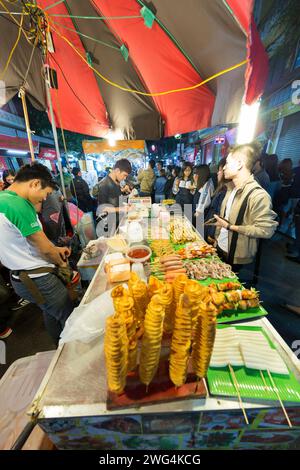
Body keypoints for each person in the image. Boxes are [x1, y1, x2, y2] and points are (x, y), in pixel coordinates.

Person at [0, 163, 74, 344]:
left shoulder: (3, 198)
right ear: (34, 184)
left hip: (20, 276)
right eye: (46, 193)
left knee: (50, 312)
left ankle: (58, 344)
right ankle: (71, 354)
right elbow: (44, 249)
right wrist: (64, 266)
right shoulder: (18, 205)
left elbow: (22, 242)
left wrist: (55, 249)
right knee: (70, 317)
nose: (45, 198)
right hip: (38, 279)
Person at [213, 143, 278, 270]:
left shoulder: (258, 195)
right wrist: (217, 239)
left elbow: (266, 230)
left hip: (236, 255)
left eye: (227, 163)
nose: (224, 167)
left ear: (239, 164)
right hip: (220, 247)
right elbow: (224, 219)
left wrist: (231, 227)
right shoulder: (230, 188)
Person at [97, 159, 132, 235]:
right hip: (108, 226)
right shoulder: (104, 184)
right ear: (117, 170)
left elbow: (115, 197)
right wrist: (121, 208)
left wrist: (125, 204)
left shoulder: (116, 182)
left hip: (117, 221)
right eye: (124, 175)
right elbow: (103, 208)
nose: (125, 178)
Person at [204, 158, 230, 240]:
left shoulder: (224, 192)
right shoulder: (221, 189)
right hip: (210, 225)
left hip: (214, 229)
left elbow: (218, 214)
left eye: (220, 170)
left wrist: (212, 234)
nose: (217, 173)